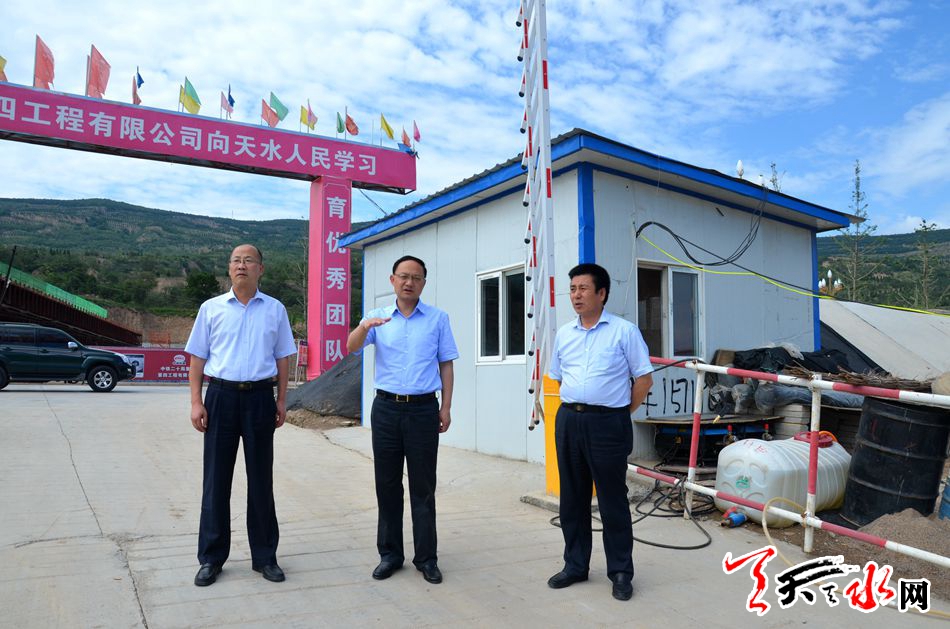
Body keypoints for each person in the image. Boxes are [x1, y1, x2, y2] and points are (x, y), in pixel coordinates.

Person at [185, 244, 296, 587]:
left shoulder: (275, 310)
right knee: (216, 480)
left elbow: (283, 358)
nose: (242, 265)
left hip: (260, 398)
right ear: (229, 268)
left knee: (261, 479)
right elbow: (198, 359)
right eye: (236, 260)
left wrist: (281, 400)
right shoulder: (211, 308)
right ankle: (211, 558)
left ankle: (265, 557)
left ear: (261, 269)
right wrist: (196, 402)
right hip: (221, 397)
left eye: (249, 260)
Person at [346, 255, 458, 585]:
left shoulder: (438, 319)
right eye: (403, 276)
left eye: (416, 277)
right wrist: (364, 327)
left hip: (424, 410)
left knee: (423, 486)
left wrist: (446, 407)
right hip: (386, 409)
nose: (409, 282)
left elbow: (446, 364)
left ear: (424, 283)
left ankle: (426, 558)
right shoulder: (377, 317)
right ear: (392, 280)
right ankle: (390, 555)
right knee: (387, 484)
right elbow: (351, 347)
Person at [546, 263, 653, 601]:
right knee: (572, 497)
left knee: (612, 499)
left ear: (602, 293)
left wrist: (618, 411)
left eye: (583, 288)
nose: (576, 295)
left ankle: (620, 571)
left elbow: (644, 380)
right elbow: (559, 377)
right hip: (569, 421)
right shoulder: (565, 334)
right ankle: (575, 565)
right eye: (572, 289)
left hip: (608, 423)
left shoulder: (624, 331)